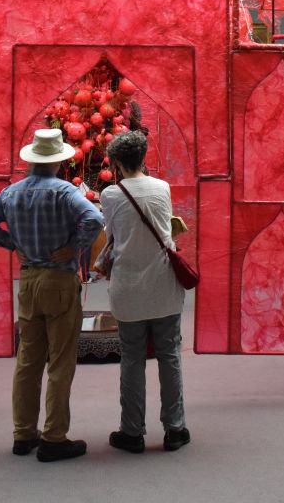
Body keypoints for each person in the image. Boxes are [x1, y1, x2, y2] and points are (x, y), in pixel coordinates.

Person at [0, 128, 104, 463]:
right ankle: (54, 438)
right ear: (58, 161)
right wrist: (75, 246)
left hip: (28, 280)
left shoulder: (11, 193)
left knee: (28, 361)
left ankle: (23, 433)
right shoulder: (64, 192)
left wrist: (11, 243)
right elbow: (94, 218)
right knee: (60, 362)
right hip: (59, 281)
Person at [98, 130, 189, 454]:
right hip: (164, 284)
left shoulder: (110, 195)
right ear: (143, 158)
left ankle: (132, 431)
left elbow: (112, 234)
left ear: (116, 163)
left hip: (128, 288)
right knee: (169, 355)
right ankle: (175, 429)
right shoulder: (162, 187)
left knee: (132, 359)